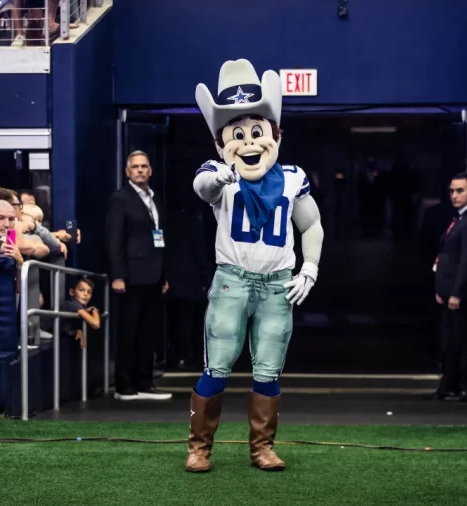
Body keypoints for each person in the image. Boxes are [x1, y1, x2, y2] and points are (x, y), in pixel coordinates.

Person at [185, 59, 325, 473]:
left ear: (275, 135)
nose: (249, 142)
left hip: (278, 283)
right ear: (222, 142)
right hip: (232, 282)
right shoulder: (218, 172)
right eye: (238, 134)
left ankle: (262, 448)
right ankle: (199, 448)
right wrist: (221, 180)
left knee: (267, 368)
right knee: (217, 366)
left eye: (257, 132)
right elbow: (202, 186)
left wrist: (311, 268)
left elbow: (312, 223)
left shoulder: (293, 178)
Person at [105, 150, 172, 402]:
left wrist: (164, 275)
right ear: (127, 171)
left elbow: (159, 239)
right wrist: (118, 275)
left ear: (151, 170)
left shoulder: (154, 199)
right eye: (136, 167)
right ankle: (124, 385)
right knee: (128, 331)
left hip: (153, 276)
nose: (140, 170)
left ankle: (145, 381)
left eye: (144, 166)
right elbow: (114, 240)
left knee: (148, 332)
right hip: (131, 277)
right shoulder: (120, 199)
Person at [434, 173, 467, 402]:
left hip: (461, 294)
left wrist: (456, 293)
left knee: (463, 341)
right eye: (452, 191)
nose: (454, 195)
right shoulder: (461, 219)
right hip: (448, 292)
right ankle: (451, 384)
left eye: (460, 191)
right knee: (451, 341)